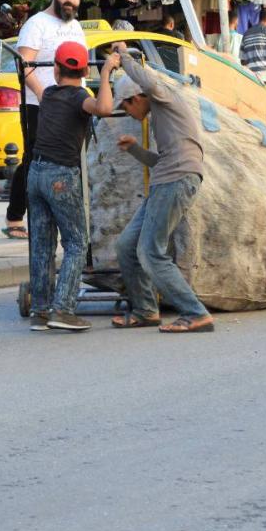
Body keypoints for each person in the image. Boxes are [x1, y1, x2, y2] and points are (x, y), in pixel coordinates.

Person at [108, 43, 213, 333]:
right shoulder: (161, 116)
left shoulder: (163, 96)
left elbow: (148, 81)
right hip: (167, 180)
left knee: (150, 252)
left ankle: (195, 313)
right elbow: (161, 162)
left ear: (137, 97)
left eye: (126, 106)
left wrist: (123, 57)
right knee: (126, 245)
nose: (128, 113)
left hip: (176, 181)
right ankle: (145, 310)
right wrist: (135, 149)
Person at [24, 41, 120, 333]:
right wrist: (107, 72)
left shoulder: (49, 95)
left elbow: (31, 79)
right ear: (84, 72)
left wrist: (27, 66)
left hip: (35, 173)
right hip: (60, 176)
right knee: (77, 243)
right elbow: (104, 108)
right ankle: (63, 310)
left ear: (56, 69)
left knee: (42, 245)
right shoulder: (80, 97)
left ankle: (40, 311)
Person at [3, 0, 86, 240]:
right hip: (38, 105)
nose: (70, 0)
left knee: (73, 159)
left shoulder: (76, 27)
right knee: (34, 160)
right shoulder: (36, 24)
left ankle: (68, 218)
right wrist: (44, 96)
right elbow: (24, 65)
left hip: (72, 105)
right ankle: (15, 217)